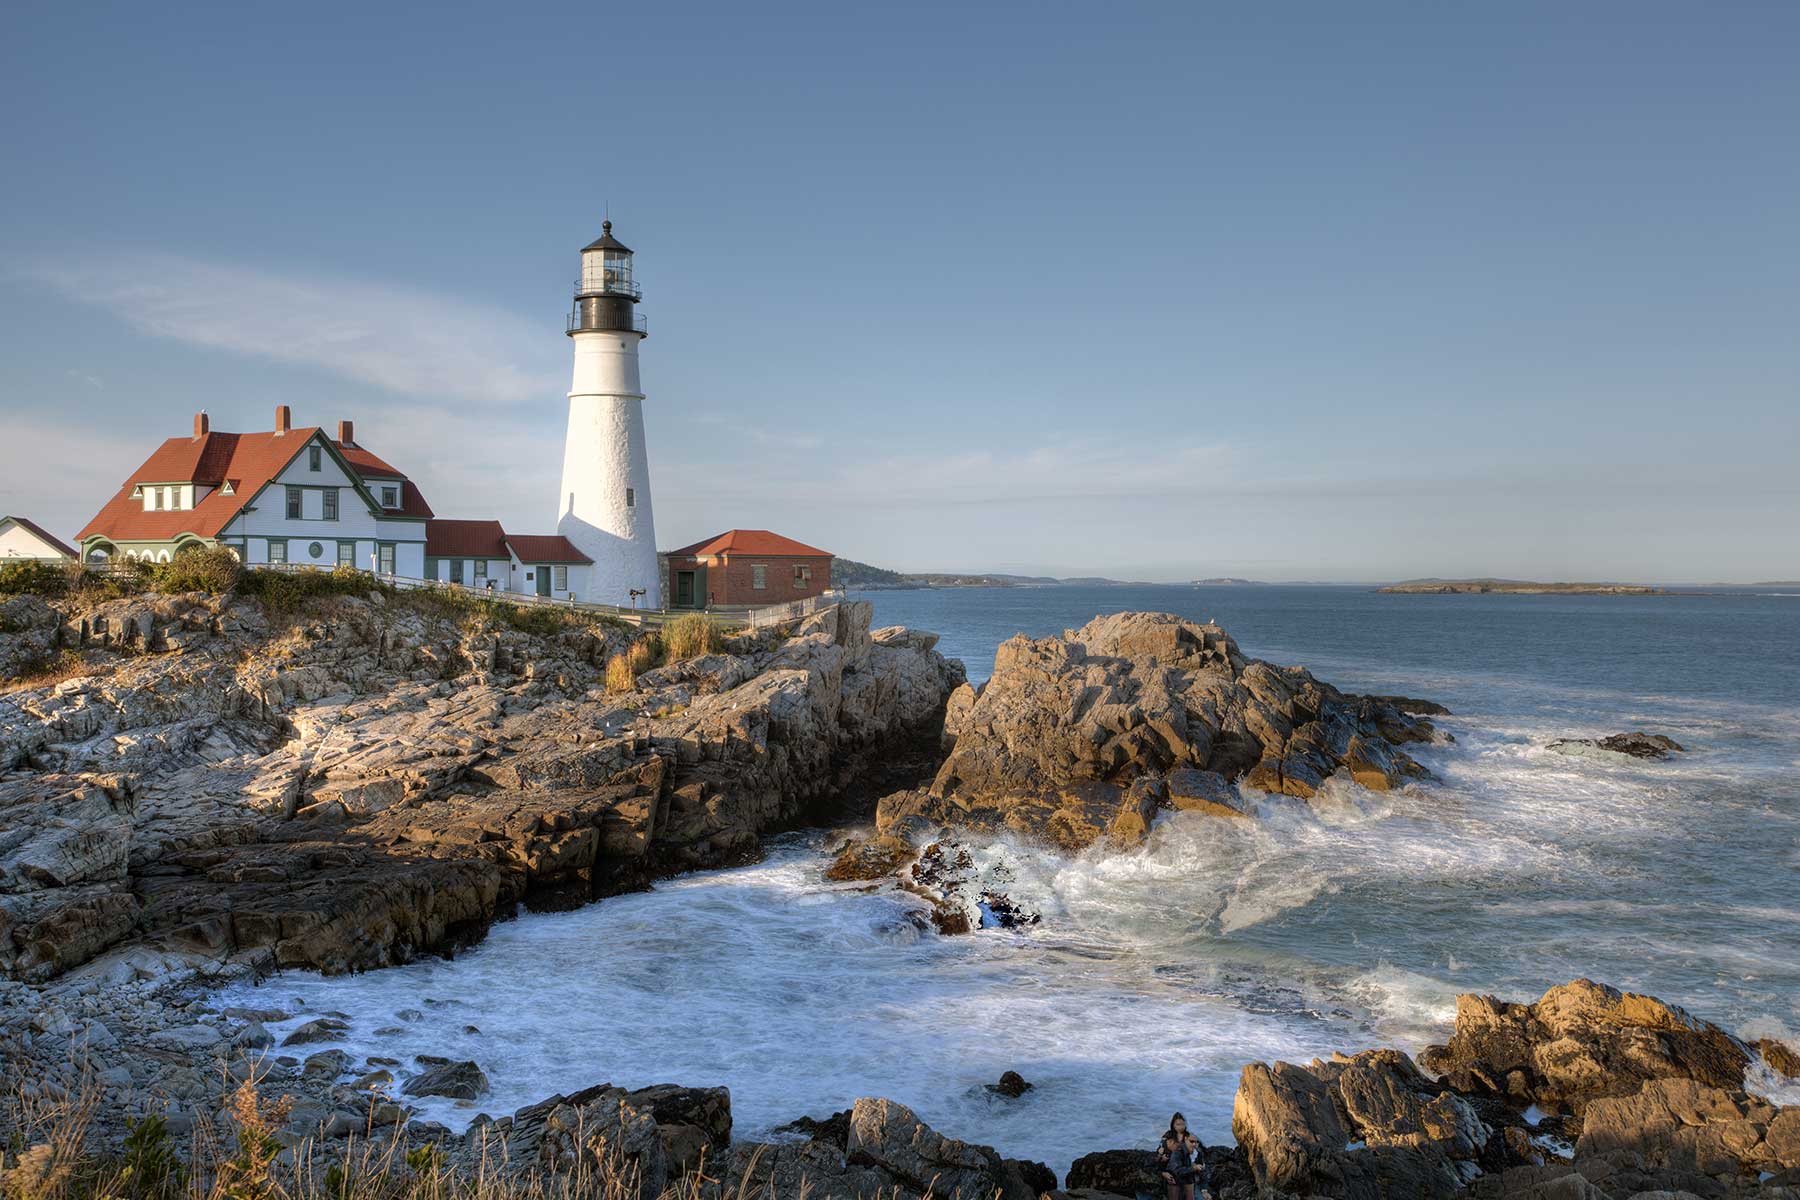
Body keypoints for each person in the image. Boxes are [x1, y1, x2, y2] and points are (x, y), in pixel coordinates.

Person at [1156, 1112, 1208, 1200]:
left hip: (1186, 1169)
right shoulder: (1167, 1137)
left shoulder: (1189, 1137)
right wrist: (1161, 1159)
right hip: (1172, 1168)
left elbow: (1202, 1151)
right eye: (1178, 1124)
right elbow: (1158, 1154)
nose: (1181, 1126)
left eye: (1183, 1124)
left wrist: (1197, 1152)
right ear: (1173, 1125)